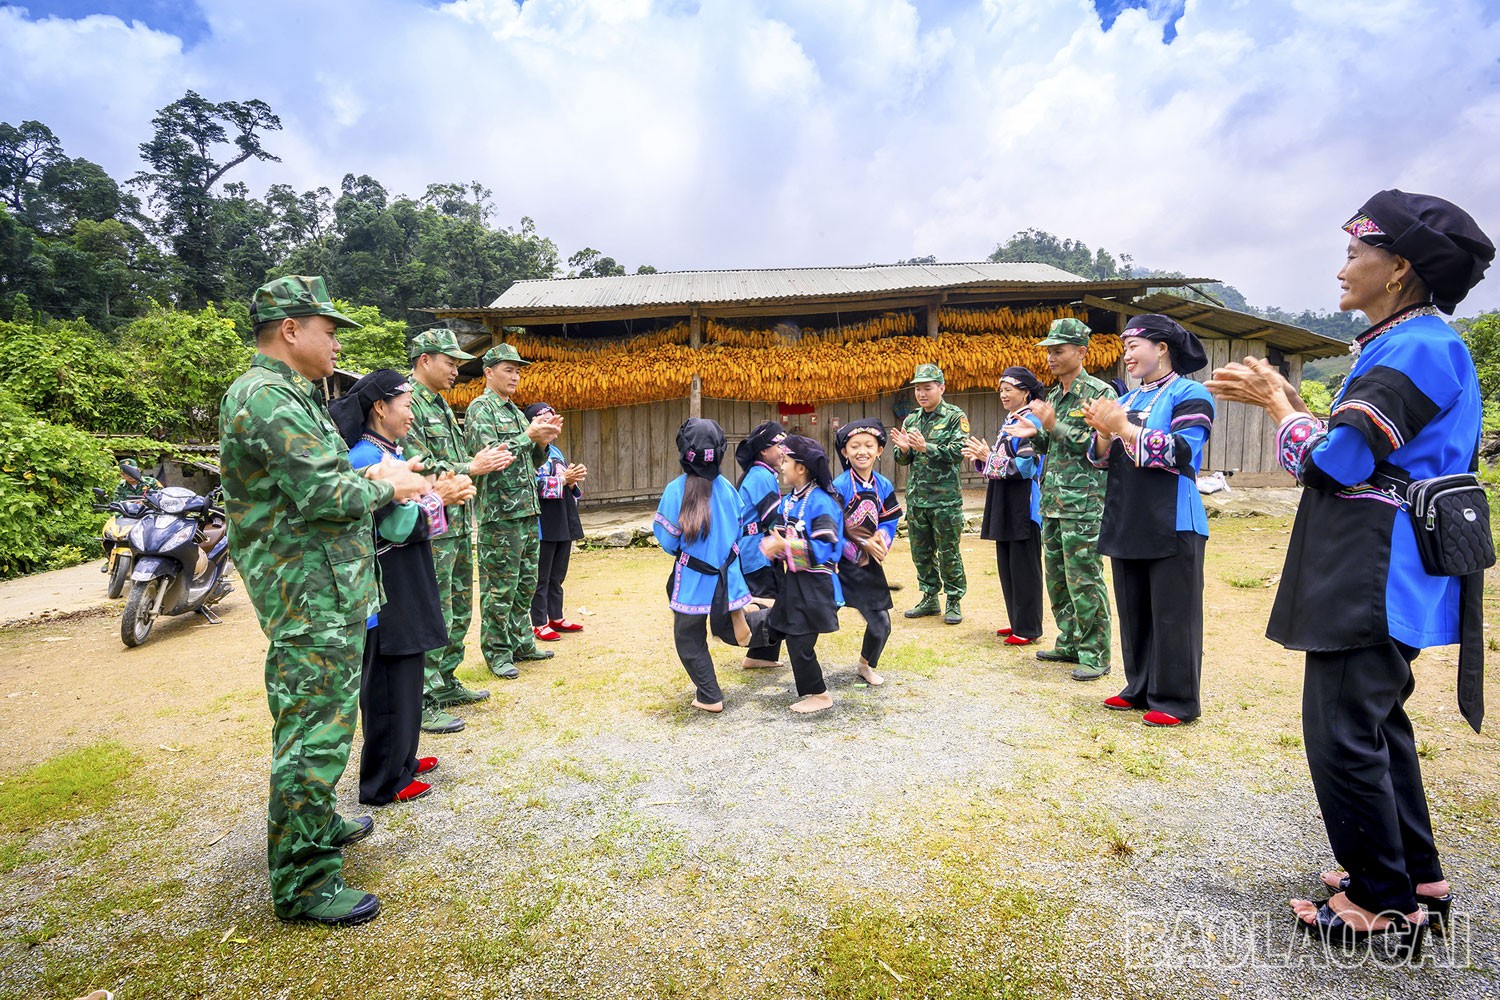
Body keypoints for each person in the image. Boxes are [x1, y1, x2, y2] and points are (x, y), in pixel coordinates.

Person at [1207, 191, 1492, 957]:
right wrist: (1292, 406)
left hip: (1374, 567)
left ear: (1398, 268)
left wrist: (1279, 406)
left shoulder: (1416, 347)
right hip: (1381, 564)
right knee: (1375, 725)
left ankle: (1379, 901)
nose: (1341, 269)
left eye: (1354, 254)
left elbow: (1337, 462)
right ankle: (1416, 880)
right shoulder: (1411, 341)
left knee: (1342, 732)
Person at [219, 275, 429, 927]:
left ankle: (316, 824)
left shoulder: (292, 394)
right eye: (330, 331)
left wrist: (371, 473)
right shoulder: (266, 397)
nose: (337, 344)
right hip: (307, 592)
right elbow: (325, 497)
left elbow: (322, 478)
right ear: (291, 329)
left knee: (324, 723)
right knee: (312, 732)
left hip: (325, 587)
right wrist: (390, 486)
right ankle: (304, 880)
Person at [330, 370, 474, 805]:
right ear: (380, 407)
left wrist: (434, 495)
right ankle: (383, 780)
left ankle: (404, 759)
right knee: (388, 682)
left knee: (408, 672)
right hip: (385, 585)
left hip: (404, 576)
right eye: (407, 405)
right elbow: (394, 528)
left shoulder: (389, 453)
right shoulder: (363, 458)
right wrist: (439, 498)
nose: (412, 414)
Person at [1082, 316, 1216, 726]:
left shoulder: (1190, 393)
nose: (1126, 356)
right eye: (1124, 348)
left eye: (1133, 346)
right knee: (1134, 608)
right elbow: (1099, 460)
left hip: (1173, 518)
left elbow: (1183, 450)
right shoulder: (1124, 400)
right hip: (1128, 515)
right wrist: (1104, 432)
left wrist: (1123, 428)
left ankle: (1176, 699)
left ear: (1161, 348)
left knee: (1173, 613)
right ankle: (1138, 687)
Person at [404, 328, 514, 735]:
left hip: (457, 522)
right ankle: (423, 698)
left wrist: (470, 463)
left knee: (458, 609)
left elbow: (453, 459)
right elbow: (418, 465)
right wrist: (473, 466)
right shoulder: (409, 403)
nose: (455, 370)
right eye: (449, 362)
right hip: (432, 527)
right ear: (424, 360)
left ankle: (446, 680)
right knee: (434, 611)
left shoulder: (440, 403)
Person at [1016, 318, 1116, 681]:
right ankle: (1070, 641)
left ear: (1081, 352)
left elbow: (1100, 445)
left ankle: (1096, 653)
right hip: (1054, 500)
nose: (1051, 358)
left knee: (1084, 578)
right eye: (1049, 351)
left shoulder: (1100, 394)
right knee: (1057, 578)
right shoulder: (1054, 395)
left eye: (1058, 351)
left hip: (1084, 503)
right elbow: (1050, 444)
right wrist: (1036, 432)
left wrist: (1053, 425)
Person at [465, 343, 563, 680]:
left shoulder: (515, 412)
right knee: (500, 589)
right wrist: (528, 435)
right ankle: (497, 652)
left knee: (525, 585)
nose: (515, 376)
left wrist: (542, 442)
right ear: (488, 372)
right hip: (500, 515)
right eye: (508, 369)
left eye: (518, 370)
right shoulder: (481, 409)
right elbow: (489, 457)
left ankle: (521, 642)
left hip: (526, 511)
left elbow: (531, 462)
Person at [653, 418, 753, 713]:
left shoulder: (675, 490)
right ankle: (771, 626)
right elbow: (739, 528)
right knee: (727, 628)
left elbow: (668, 540)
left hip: (694, 580)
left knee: (688, 637)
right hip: (728, 576)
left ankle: (709, 696)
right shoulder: (727, 488)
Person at [962, 366, 1046, 646]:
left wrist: (988, 457)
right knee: (1008, 564)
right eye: (1001, 390)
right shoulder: (1011, 419)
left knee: (1024, 566)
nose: (1003, 395)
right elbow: (998, 462)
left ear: (1026, 392)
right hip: (1004, 498)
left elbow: (1026, 467)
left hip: (1023, 501)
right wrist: (982, 458)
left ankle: (1029, 627)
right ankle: (1017, 620)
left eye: (1009, 390)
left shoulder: (1032, 421)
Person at [762, 435, 845, 714]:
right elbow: (784, 534)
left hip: (818, 583)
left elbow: (824, 548)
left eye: (786, 461)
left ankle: (820, 695)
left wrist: (785, 546)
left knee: (800, 639)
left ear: (801, 468)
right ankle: (759, 656)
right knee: (780, 624)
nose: (781, 465)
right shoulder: (789, 501)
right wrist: (776, 546)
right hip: (796, 580)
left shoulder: (821, 502)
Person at [891, 364, 970, 624]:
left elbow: (959, 451)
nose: (922, 394)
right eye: (918, 389)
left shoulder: (954, 417)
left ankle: (954, 600)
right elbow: (902, 460)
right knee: (921, 552)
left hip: (945, 500)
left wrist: (928, 447)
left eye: (927, 388)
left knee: (948, 552)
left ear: (941, 388)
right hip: (917, 499)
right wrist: (904, 450)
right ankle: (929, 597)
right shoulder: (911, 419)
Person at [833, 418, 902, 686]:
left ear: (879, 450)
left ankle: (865, 665)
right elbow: (830, 526)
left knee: (881, 623)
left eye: (869, 445)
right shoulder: (839, 486)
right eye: (855, 446)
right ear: (844, 452)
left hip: (867, 565)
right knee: (812, 616)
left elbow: (889, 519)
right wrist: (857, 544)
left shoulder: (883, 485)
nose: (862, 451)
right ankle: (766, 652)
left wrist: (882, 539)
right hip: (837, 565)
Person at [526, 401, 588, 641]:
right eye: (544, 421)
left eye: (553, 421)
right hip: (543, 520)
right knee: (541, 575)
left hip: (562, 516)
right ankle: (539, 622)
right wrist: (562, 480)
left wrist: (572, 480)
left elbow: (566, 481)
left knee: (558, 573)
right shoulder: (528, 452)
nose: (550, 426)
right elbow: (532, 486)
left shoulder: (556, 451)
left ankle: (556, 616)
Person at [735, 420, 789, 669]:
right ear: (764, 451)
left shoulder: (761, 474)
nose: (784, 450)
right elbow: (773, 519)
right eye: (780, 445)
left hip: (759, 549)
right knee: (767, 599)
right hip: (758, 552)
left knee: (773, 595)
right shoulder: (761, 476)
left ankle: (761, 656)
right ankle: (754, 649)